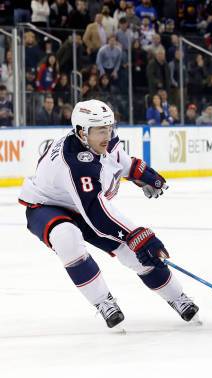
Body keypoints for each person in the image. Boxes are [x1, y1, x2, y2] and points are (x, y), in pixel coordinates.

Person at [18, 99, 199, 329]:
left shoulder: (102, 140)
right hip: (46, 206)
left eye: (109, 127)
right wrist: (138, 235)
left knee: (132, 252)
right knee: (67, 237)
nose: (107, 135)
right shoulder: (76, 162)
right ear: (82, 132)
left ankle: (177, 297)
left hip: (81, 204)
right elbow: (97, 214)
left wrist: (141, 173)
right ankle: (103, 302)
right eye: (100, 130)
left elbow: (119, 160)